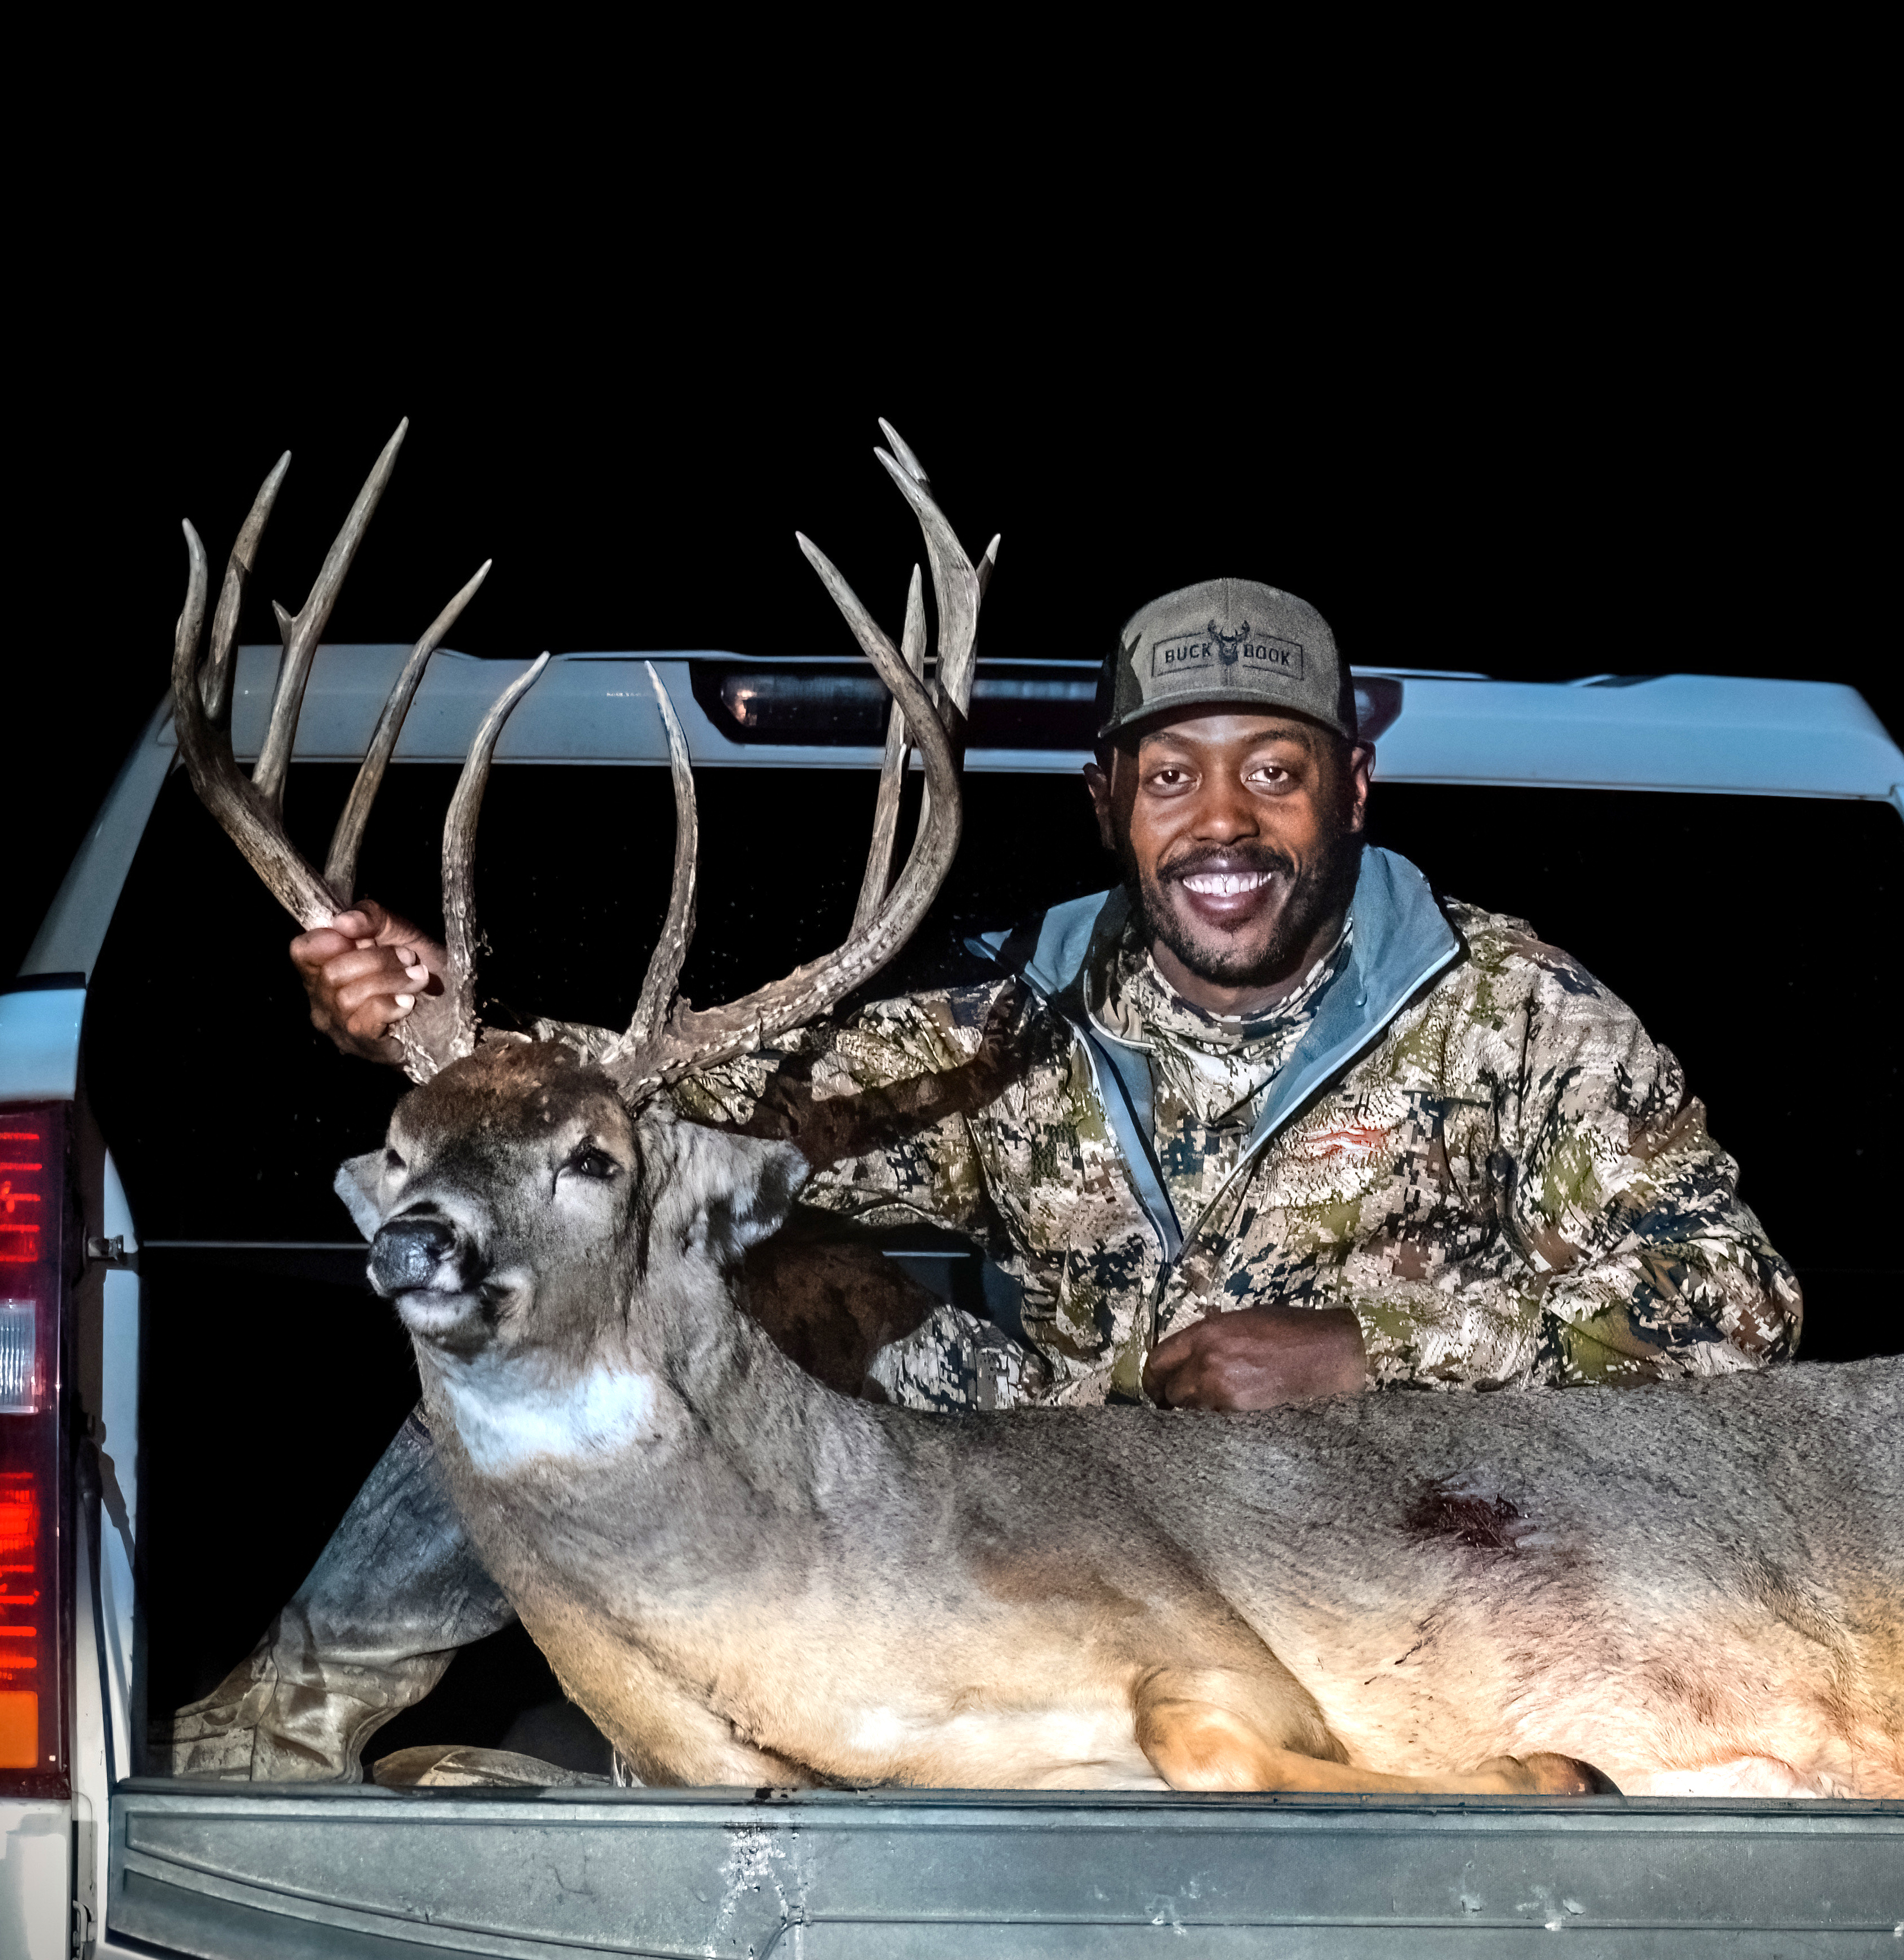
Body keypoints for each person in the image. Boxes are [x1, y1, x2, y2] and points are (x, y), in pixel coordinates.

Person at [160, 577, 1799, 1780]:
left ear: (1347, 791)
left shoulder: (1520, 1012)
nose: (1221, 818)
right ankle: (297, 1718)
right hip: (1067, 1514)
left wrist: (1377, 1353)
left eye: (1273, 770)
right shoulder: (1012, 1017)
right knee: (641, 1263)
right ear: (1108, 804)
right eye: (1171, 774)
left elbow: (1733, 1310)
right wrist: (442, 1026)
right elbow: (677, 1112)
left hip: (1393, 1553)